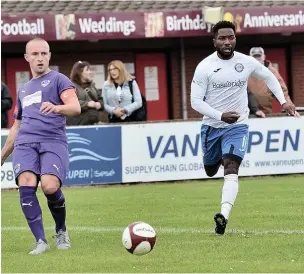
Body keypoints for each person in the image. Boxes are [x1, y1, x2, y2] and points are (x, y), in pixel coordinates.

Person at [190, 21, 297, 235]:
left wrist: (283, 101)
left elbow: (268, 76)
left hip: (238, 125)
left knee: (231, 167)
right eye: (222, 38)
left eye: (230, 37)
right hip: (212, 126)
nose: (227, 41)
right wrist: (220, 115)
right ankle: (220, 155)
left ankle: (223, 216)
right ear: (214, 42)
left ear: (235, 39)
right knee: (211, 170)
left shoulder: (246, 62)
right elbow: (195, 102)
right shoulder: (204, 67)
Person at [1, 38, 81, 255]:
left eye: (43, 54)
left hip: (53, 141)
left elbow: (75, 107)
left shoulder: (59, 80)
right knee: (26, 182)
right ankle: (40, 241)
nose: (40, 58)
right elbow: (16, 127)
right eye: (35, 54)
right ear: (27, 58)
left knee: (49, 186)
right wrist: (1, 156)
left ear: (49, 56)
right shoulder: (24, 90)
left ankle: (61, 231)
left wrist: (56, 108)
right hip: (25, 143)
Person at [248, 47, 298, 116]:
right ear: (250, 57)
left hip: (266, 114)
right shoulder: (244, 71)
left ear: (264, 57)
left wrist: (290, 107)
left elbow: (281, 90)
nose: (257, 58)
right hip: (246, 114)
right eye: (254, 56)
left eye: (259, 56)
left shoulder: (271, 71)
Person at [66, 61, 104, 126]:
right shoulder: (70, 86)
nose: (90, 72)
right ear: (79, 72)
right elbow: (70, 103)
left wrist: (100, 104)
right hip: (78, 125)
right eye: (87, 70)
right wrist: (87, 104)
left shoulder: (92, 86)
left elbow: (100, 99)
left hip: (93, 123)